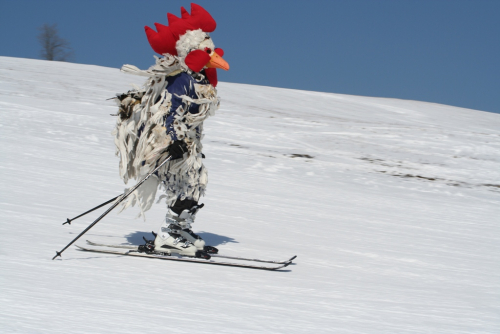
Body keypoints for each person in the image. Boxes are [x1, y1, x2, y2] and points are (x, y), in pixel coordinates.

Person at [112, 3, 229, 259]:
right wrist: (174, 142)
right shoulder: (181, 80)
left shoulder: (198, 79)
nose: (215, 55)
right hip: (168, 146)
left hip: (187, 144)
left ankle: (180, 229)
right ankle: (168, 235)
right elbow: (169, 112)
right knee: (184, 186)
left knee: (195, 184)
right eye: (207, 51)